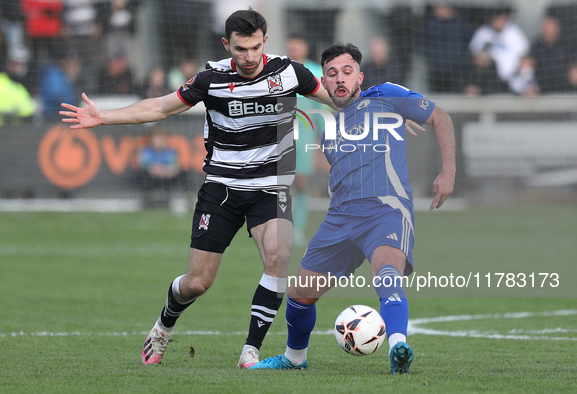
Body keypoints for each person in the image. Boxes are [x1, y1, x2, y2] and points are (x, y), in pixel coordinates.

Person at [60, 9, 329, 368]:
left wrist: (389, 104)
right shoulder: (210, 78)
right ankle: (163, 326)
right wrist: (103, 116)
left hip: (269, 186)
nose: (248, 57)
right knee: (198, 282)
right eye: (239, 49)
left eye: (254, 47)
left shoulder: (289, 72)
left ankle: (251, 351)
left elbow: (338, 97)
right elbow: (159, 107)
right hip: (221, 188)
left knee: (279, 257)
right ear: (226, 44)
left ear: (265, 40)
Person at [248, 42, 455, 374]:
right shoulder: (328, 128)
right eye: (332, 74)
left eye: (347, 72)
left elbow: (441, 118)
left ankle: (398, 345)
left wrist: (448, 173)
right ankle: (294, 359)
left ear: (360, 76)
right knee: (300, 294)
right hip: (340, 219)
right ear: (324, 83)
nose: (340, 78)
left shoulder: (385, 95)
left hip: (386, 209)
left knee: (387, 273)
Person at [285, 34, 326, 246]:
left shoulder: (316, 73)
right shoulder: (278, 71)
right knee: (278, 184)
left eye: (298, 43)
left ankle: (298, 227)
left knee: (301, 183)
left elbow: (320, 108)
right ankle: (278, 226)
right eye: (291, 43)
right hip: (279, 135)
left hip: (305, 134)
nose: (294, 47)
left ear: (305, 46)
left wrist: (323, 140)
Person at [469, 10, 529, 87]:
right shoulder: (484, 32)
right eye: (497, 19)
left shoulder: (513, 32)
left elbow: (525, 54)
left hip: (512, 77)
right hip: (489, 76)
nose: (499, 22)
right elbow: (474, 53)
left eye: (502, 19)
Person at [137, 127, 181, 208]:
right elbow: (144, 165)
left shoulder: (171, 152)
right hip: (152, 178)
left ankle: (187, 197)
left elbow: (175, 167)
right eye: (157, 139)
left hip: (168, 178)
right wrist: (160, 170)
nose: (160, 141)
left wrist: (162, 170)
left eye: (162, 138)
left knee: (184, 174)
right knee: (142, 175)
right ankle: (147, 199)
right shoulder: (146, 151)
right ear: (151, 140)